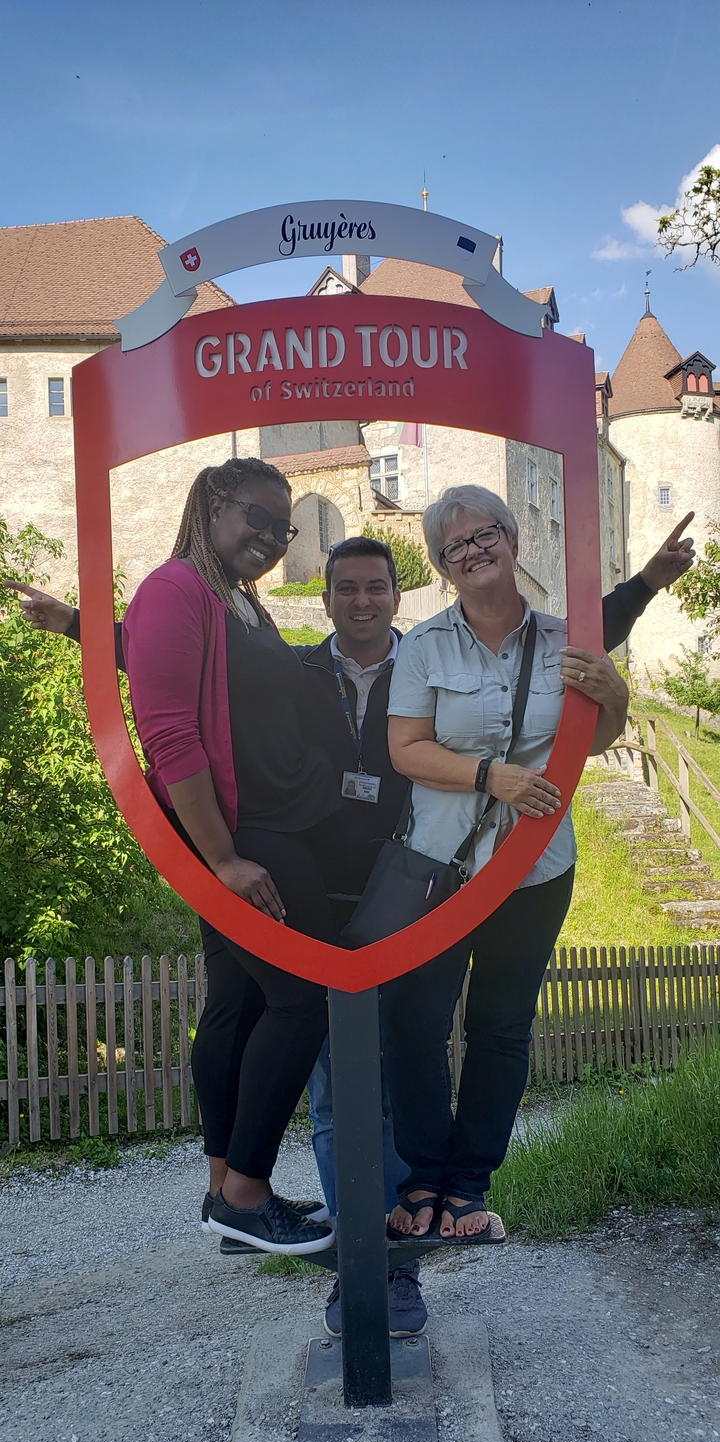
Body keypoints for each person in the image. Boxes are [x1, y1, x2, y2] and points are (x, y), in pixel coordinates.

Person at [6, 514, 695, 1273]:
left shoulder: (426, 656)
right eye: (346, 589)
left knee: (410, 1044)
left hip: (408, 875)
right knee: (336, 1072)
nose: (362, 601)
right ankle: (358, 1235)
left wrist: (647, 586)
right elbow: (186, 662)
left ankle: (414, 1213)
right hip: (321, 892)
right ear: (326, 599)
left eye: (376, 586)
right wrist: (76, 624)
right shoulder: (294, 671)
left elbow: (566, 644)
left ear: (398, 594)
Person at [118, 454, 358, 1257]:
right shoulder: (177, 585)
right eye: (257, 517)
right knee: (305, 996)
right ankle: (248, 1192)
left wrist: (93, 632)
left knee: (237, 1002)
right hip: (247, 836)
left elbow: (169, 657)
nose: (270, 537)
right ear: (215, 502)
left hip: (274, 826)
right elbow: (169, 732)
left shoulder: (234, 598)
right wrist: (220, 859)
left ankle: (227, 1190)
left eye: (283, 527)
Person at [383, 483, 630, 1242]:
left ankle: (468, 1187)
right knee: (416, 1025)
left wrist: (613, 694)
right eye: (456, 545)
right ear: (442, 565)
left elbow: (595, 739)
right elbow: (405, 749)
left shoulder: (567, 637)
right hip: (441, 866)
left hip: (536, 867)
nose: (474, 550)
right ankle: (423, 1173)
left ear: (514, 539)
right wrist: (493, 777)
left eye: (485, 532)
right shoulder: (424, 644)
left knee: (500, 1027)